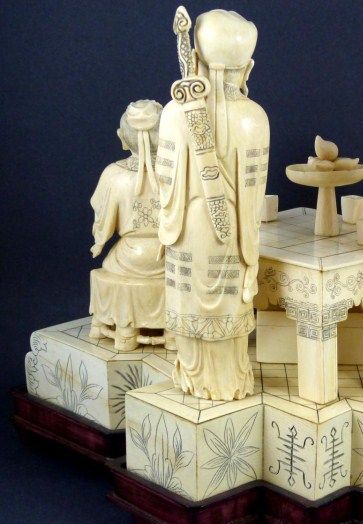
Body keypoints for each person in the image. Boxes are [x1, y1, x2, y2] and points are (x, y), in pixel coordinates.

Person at [156, 9, 269, 400]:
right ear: (247, 68)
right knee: (228, 305)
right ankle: (229, 380)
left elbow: (165, 183)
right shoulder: (254, 118)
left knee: (192, 301)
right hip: (230, 228)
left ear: (196, 60)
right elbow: (254, 197)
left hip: (188, 224)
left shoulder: (173, 113)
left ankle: (193, 377)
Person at [89, 99, 168, 351]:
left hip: (129, 256)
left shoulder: (113, 174)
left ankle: (123, 329)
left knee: (108, 266)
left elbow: (103, 220)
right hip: (169, 256)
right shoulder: (178, 172)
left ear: (122, 137)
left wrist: (99, 241)